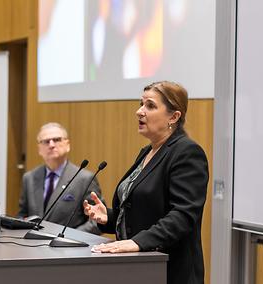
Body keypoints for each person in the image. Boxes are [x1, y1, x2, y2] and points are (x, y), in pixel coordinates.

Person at [83, 81, 209, 284]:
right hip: (140, 268)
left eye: (150, 106)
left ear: (174, 116)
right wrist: (111, 217)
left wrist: (136, 243)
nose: (139, 111)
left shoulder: (186, 153)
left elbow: (183, 216)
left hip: (171, 271)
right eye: (141, 104)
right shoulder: (147, 152)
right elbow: (146, 211)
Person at [18, 122, 103, 234]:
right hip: (33, 246)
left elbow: (97, 220)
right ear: (39, 149)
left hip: (68, 247)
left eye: (57, 139)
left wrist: (68, 236)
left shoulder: (85, 179)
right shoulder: (29, 178)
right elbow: (22, 215)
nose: (51, 145)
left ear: (67, 145)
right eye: (46, 141)